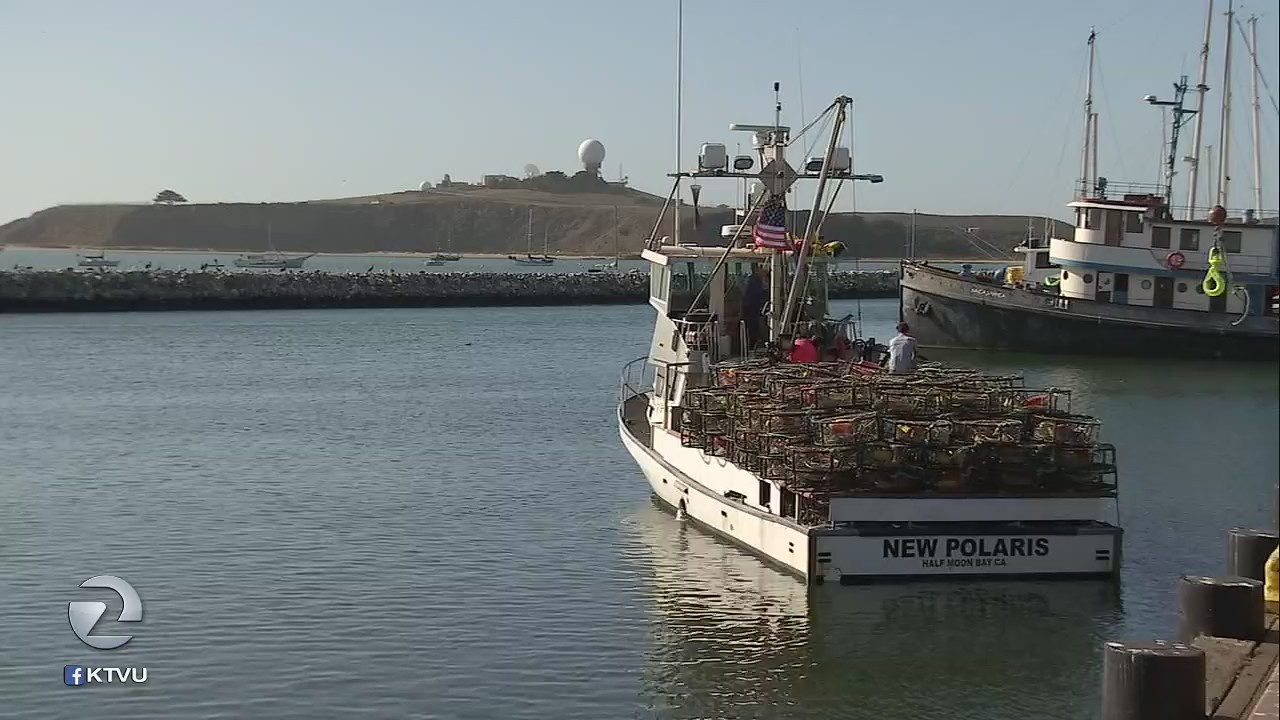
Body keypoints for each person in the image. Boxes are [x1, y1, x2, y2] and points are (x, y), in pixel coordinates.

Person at [741, 264, 768, 351]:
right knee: (752, 328)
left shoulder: (752, 279)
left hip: (751, 307)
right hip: (752, 308)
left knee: (752, 328)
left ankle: (752, 345)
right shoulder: (754, 280)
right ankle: (752, 346)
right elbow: (758, 293)